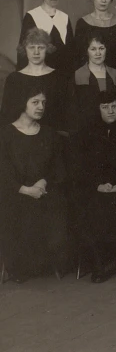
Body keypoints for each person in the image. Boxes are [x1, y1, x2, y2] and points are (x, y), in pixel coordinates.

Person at [71, 90, 116, 282]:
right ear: (98, 109)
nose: (110, 111)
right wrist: (97, 185)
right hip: (94, 188)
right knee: (91, 208)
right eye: (105, 107)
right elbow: (79, 166)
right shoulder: (85, 133)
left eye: (114, 106)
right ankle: (98, 263)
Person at [0, 88, 67, 283]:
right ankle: (20, 267)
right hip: (14, 192)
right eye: (35, 102)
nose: (41, 107)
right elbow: (2, 171)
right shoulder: (5, 134)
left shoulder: (48, 133)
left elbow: (57, 166)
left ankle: (45, 263)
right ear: (23, 104)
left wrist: (43, 181)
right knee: (17, 210)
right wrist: (24, 189)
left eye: (43, 103)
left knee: (56, 207)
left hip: (44, 190)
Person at [1, 28, 68, 132]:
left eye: (40, 47)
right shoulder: (14, 79)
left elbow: (66, 114)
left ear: (47, 48)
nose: (36, 52)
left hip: (53, 136)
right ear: (25, 49)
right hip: (22, 138)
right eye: (31, 47)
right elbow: (7, 116)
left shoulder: (59, 77)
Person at [17, 0, 75, 74]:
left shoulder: (64, 17)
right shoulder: (32, 16)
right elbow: (23, 50)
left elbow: (71, 50)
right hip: (39, 72)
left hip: (63, 72)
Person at [68, 35, 116, 135]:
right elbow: (74, 108)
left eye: (101, 48)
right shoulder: (79, 74)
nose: (98, 53)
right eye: (93, 49)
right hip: (87, 130)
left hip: (112, 129)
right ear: (87, 51)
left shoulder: (115, 73)